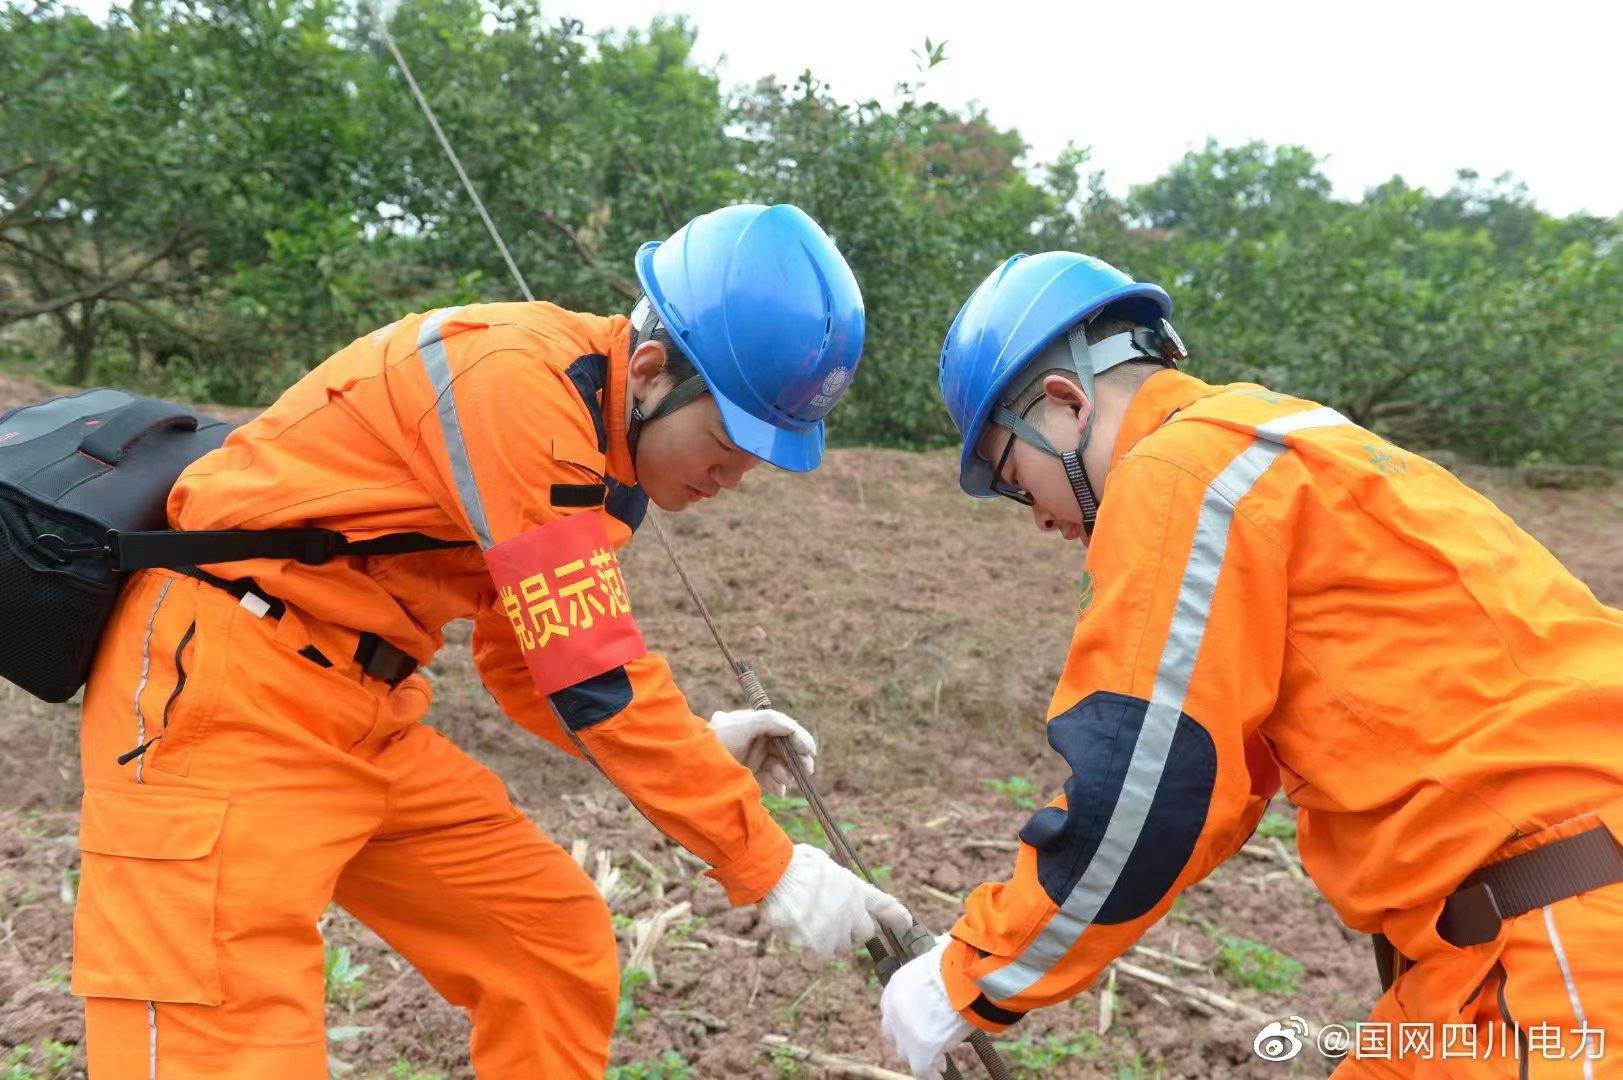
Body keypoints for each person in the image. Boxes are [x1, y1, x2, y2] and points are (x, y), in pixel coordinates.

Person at [72, 203, 911, 1078]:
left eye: (760, 458)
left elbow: (527, 661)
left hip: (362, 714)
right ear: (655, 371)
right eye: (728, 439)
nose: (732, 477)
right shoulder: (519, 386)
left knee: (546, 946)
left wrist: (696, 747)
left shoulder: (604, 449)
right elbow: (592, 673)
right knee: (226, 1046)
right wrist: (765, 863)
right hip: (224, 695)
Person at [878, 250, 1623, 1079]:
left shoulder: (1176, 474)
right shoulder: (1273, 437)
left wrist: (969, 977)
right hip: (1504, 935)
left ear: (1065, 404)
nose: (1035, 518)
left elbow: (1145, 791)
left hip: (1563, 939)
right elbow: (1221, 781)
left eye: (1015, 479)